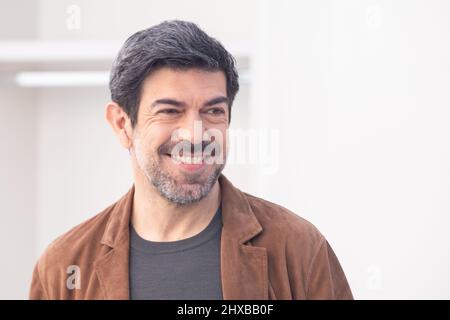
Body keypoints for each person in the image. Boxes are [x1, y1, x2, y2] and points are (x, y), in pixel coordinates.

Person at [29, 20, 353, 300]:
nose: (196, 134)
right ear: (122, 124)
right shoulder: (64, 267)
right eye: (170, 111)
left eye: (213, 111)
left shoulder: (297, 249)